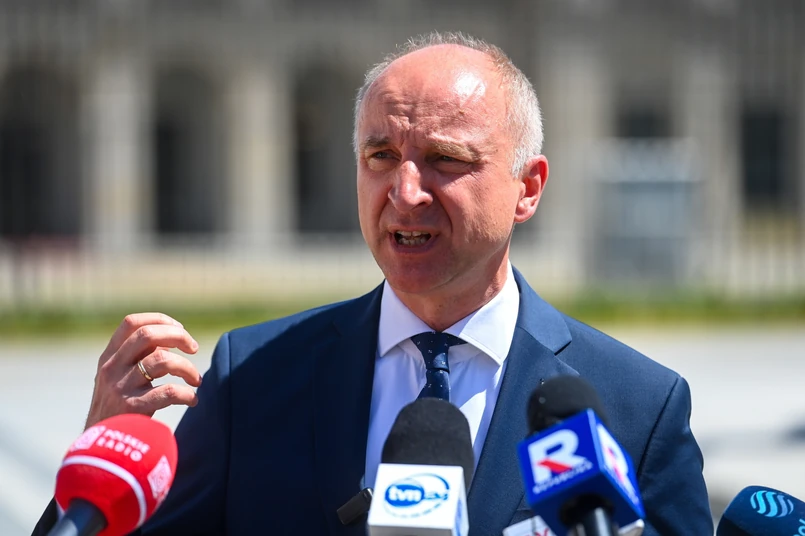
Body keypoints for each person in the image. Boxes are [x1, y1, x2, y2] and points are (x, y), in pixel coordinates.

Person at [33, 32, 712, 535]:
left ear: (527, 188)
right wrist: (99, 463)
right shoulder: (252, 377)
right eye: (380, 155)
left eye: (445, 159)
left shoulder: (636, 408)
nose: (405, 191)